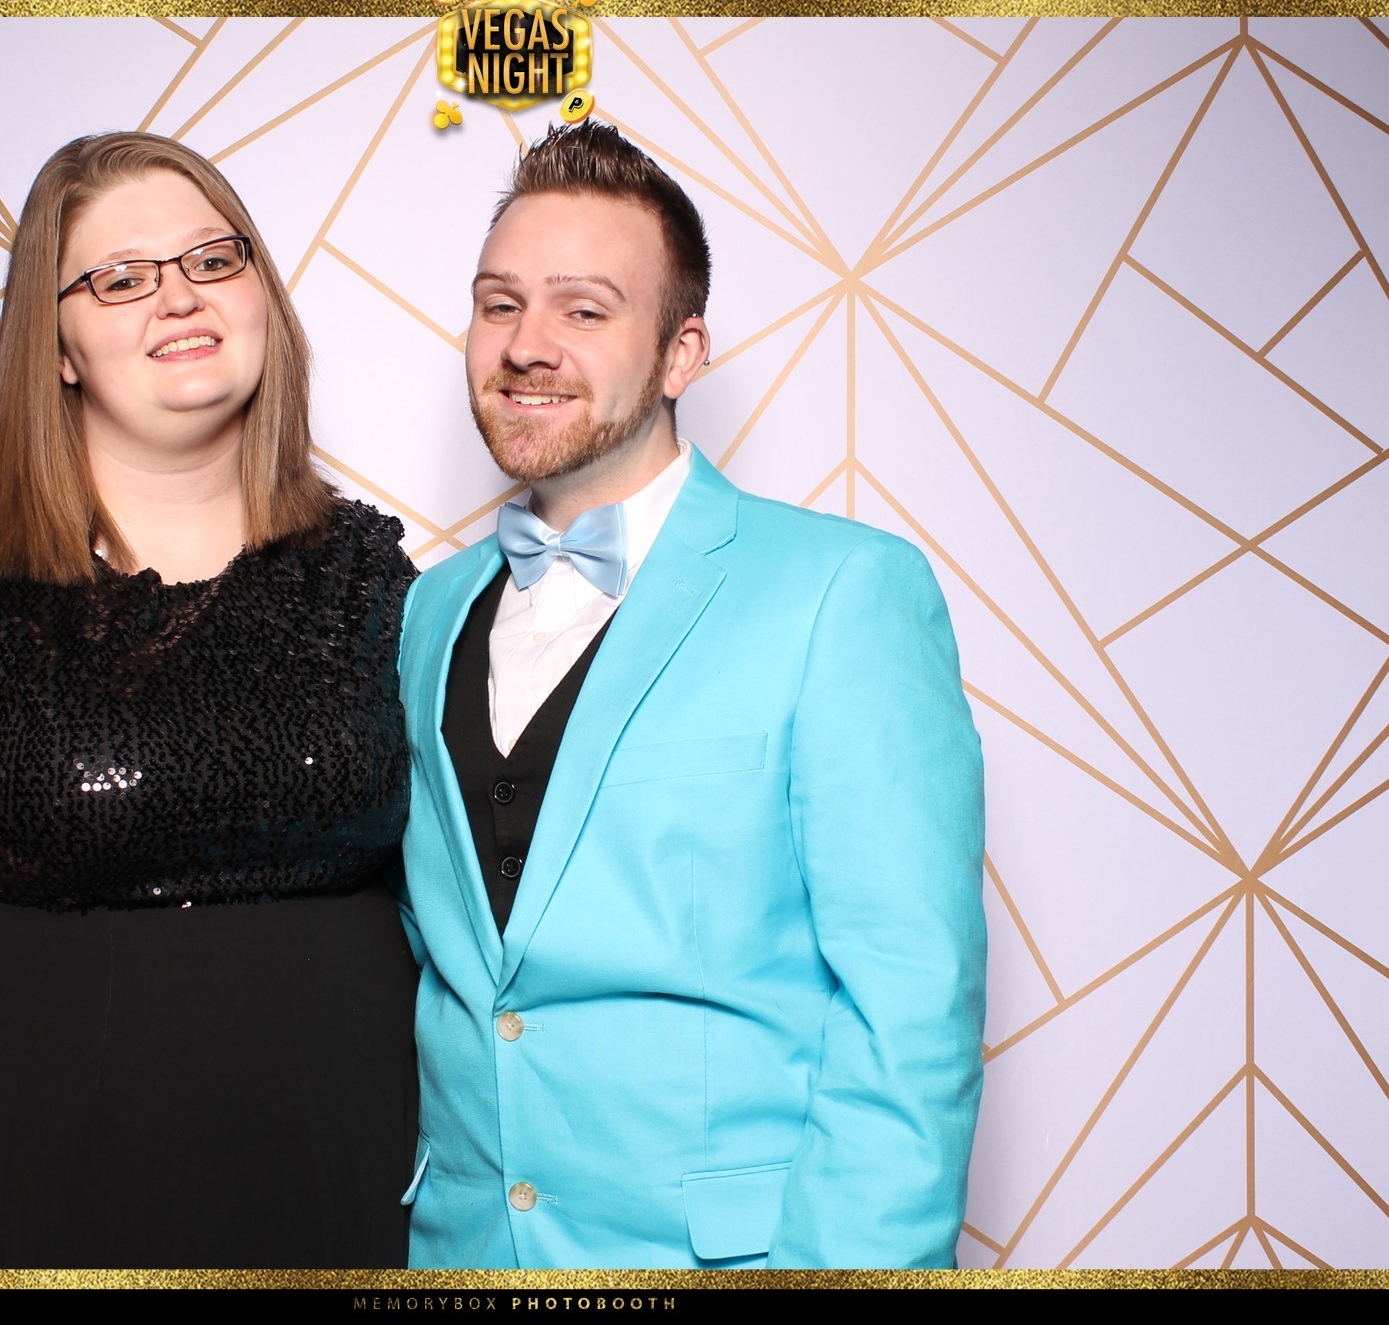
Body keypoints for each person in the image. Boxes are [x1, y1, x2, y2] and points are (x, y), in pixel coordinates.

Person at [0, 132, 417, 1268]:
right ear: (54, 346)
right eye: (119, 277)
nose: (179, 297)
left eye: (213, 259)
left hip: (335, 1209)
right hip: (18, 1212)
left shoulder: (371, 576)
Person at [395, 122, 987, 1269]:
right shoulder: (425, 613)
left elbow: (910, 1009)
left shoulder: (842, 593)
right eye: (498, 304)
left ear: (680, 354)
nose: (525, 345)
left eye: (583, 310)